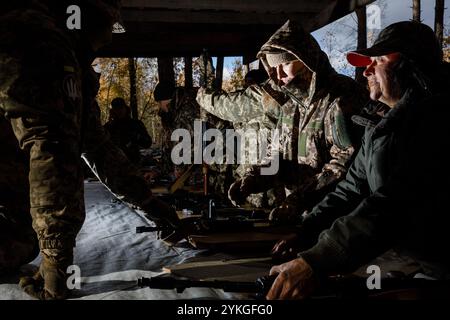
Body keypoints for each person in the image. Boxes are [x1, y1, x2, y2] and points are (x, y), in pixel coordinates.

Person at [0, 0, 180, 300]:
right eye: (108, 24)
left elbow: (97, 148)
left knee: (24, 237)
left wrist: (151, 204)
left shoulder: (68, 55)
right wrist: (57, 261)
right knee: (22, 235)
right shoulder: (39, 38)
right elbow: (51, 150)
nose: (109, 37)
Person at [267, 21, 450, 300]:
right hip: (421, 263)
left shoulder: (437, 121)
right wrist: (306, 233)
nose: (365, 70)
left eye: (377, 60)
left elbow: (393, 205)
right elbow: (352, 188)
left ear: (409, 66)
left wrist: (316, 261)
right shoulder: (381, 123)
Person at [226, 20, 368, 222]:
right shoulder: (290, 105)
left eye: (284, 64)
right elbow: (279, 155)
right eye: (273, 68)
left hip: (337, 221)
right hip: (299, 220)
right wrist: (254, 178)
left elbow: (346, 166)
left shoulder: (341, 98)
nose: (278, 75)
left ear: (306, 60)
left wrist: (299, 199)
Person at [104, 97, 152, 164]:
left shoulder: (136, 124)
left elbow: (148, 143)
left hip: (133, 163)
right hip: (114, 164)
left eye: (121, 108)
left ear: (125, 108)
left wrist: (137, 137)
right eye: (116, 109)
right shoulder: (108, 126)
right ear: (112, 111)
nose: (119, 111)